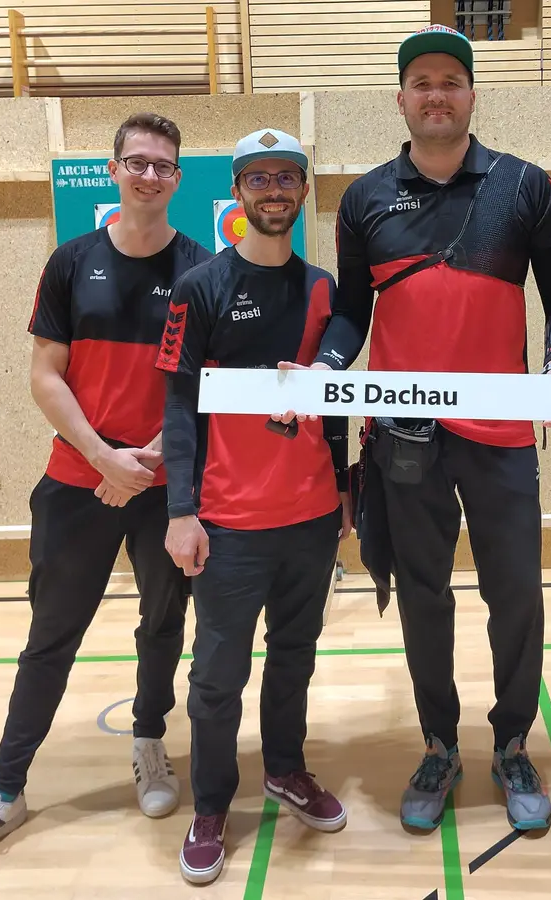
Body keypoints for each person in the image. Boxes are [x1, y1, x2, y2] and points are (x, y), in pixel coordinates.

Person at [279, 24, 551, 835]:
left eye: (452, 79)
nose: (437, 94)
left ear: (472, 93)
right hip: (404, 437)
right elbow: (349, 312)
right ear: (402, 98)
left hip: (503, 435)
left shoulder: (524, 186)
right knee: (422, 596)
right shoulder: (367, 197)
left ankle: (513, 744)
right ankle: (440, 743)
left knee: (515, 594)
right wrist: (327, 372)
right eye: (422, 82)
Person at [0, 113, 207, 885]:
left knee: (160, 625)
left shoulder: (201, 268)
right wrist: (103, 455)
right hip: (80, 481)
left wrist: (147, 462)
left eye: (163, 166)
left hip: (161, 485)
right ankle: (3, 791)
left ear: (178, 179)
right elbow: (47, 374)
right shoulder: (71, 262)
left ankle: (150, 744)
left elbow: (198, 387)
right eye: (137, 163)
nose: (150, 176)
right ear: (115, 170)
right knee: (51, 638)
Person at [157, 128, 352, 886]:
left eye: (288, 178)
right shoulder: (199, 287)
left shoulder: (324, 289)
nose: (275, 190)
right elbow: (178, 407)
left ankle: (286, 769)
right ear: (238, 191)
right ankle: (211, 805)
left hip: (307, 519)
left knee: (295, 659)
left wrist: (340, 489)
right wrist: (181, 510)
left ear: (304, 190)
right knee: (215, 675)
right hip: (229, 522)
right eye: (260, 178)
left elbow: (331, 406)